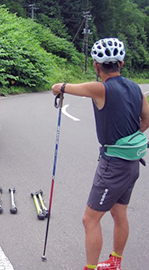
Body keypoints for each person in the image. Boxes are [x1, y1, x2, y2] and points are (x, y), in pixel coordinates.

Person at [51, 38, 149, 270]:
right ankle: (115, 261)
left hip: (113, 165)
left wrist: (58, 88)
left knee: (90, 219)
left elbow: (60, 87)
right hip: (132, 163)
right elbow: (146, 119)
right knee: (119, 212)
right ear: (121, 64)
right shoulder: (137, 89)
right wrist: (130, 138)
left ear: (96, 66)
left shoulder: (100, 88)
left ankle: (91, 268)